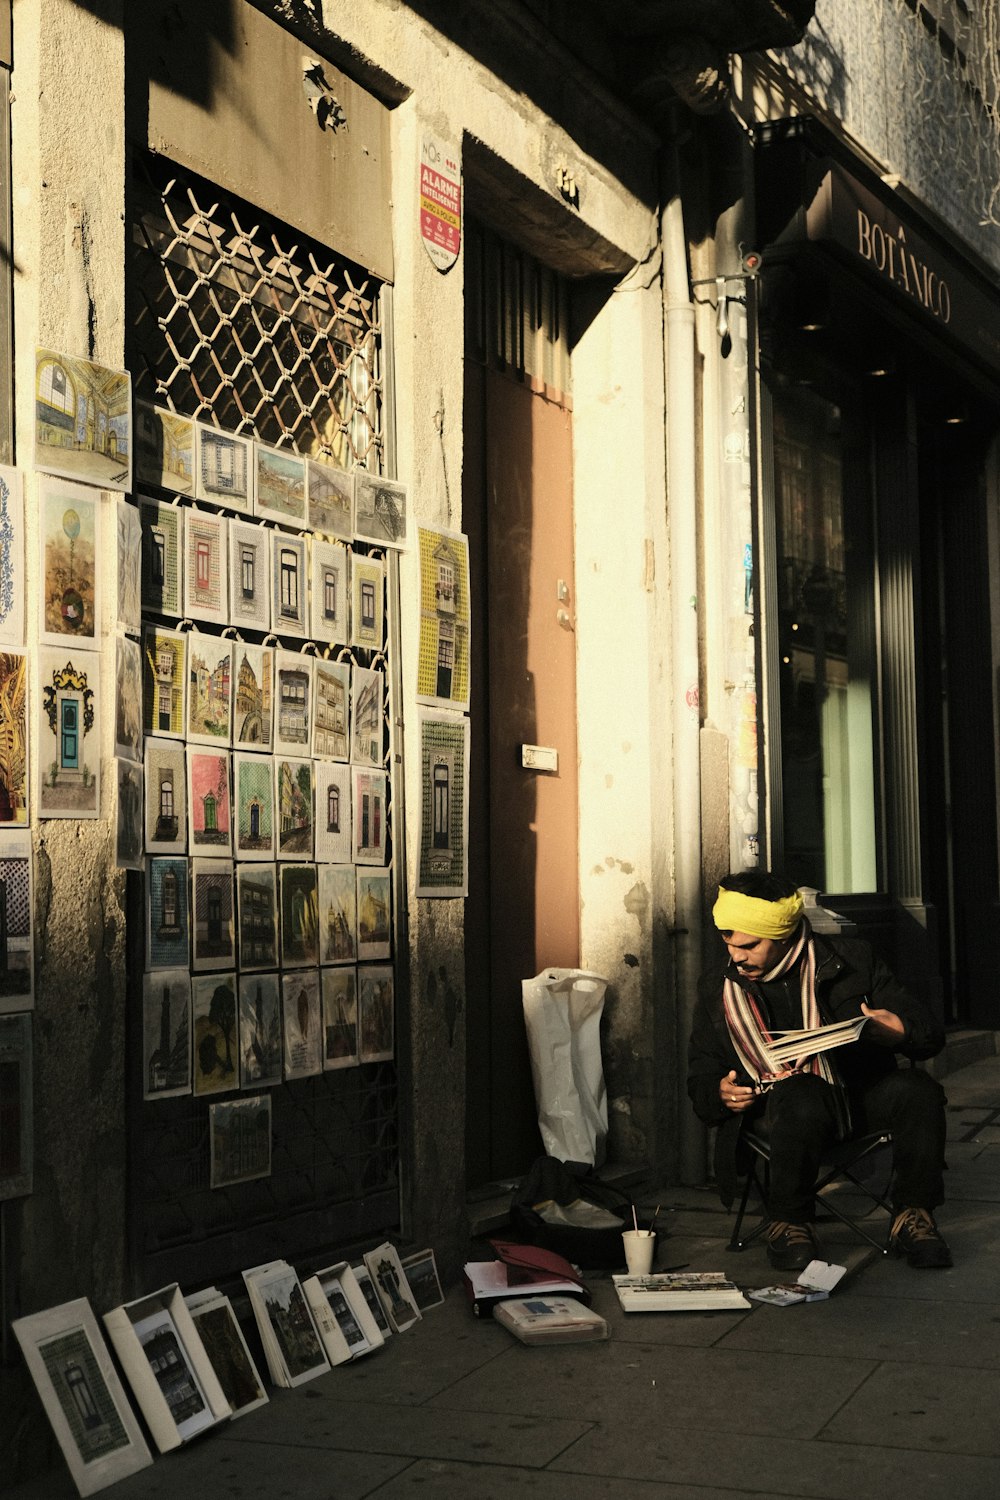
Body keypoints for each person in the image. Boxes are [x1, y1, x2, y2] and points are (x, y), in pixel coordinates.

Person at [688, 870, 952, 1271]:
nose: (736, 954)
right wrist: (720, 1093)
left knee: (919, 1089)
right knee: (801, 1092)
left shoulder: (854, 960)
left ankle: (913, 1216)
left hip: (854, 1097)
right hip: (776, 1112)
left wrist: (898, 1031)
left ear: (783, 934)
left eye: (750, 944)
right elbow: (702, 1073)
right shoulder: (716, 987)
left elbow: (929, 1035)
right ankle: (790, 1220)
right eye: (728, 939)